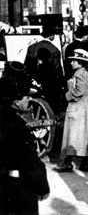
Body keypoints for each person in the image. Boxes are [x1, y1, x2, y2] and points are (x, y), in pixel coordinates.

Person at [0, 75, 50, 215]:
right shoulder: (17, 126)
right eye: (26, 97)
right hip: (18, 188)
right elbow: (29, 161)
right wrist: (42, 187)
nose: (30, 99)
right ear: (16, 102)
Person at [55, 49, 88, 172]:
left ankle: (67, 162)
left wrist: (67, 95)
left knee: (72, 135)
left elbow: (78, 91)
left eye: (74, 61)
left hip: (77, 108)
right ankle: (85, 163)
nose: (72, 63)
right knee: (85, 135)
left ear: (80, 62)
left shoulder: (78, 74)